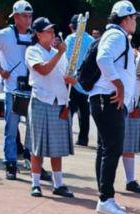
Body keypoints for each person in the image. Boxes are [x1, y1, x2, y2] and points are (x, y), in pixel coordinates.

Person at [88, 1, 137, 214]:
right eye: (134, 18)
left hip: (105, 98)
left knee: (105, 148)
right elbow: (103, 58)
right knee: (112, 148)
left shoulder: (117, 36)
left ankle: (104, 197)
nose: (136, 22)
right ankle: (106, 198)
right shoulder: (116, 36)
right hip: (107, 98)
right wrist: (118, 85)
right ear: (125, 19)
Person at [25, 18, 74, 197]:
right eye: (48, 31)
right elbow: (43, 70)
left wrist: (71, 80)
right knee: (37, 145)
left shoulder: (58, 53)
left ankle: (58, 184)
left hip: (59, 101)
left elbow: (66, 75)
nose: (52, 34)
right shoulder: (32, 51)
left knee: (57, 147)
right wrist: (59, 54)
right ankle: (35, 183)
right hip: (41, 100)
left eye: (52, 31)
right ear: (38, 34)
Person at [0, 0, 35, 180]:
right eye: (24, 16)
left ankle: (32, 160)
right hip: (12, 88)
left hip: (32, 87)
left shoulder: (34, 34)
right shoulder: (4, 34)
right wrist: (0, 71)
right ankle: (11, 163)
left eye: (30, 16)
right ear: (15, 17)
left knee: (33, 128)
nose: (28, 19)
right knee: (11, 128)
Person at [118, 9, 140, 197]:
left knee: (129, 145)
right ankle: (106, 182)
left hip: (134, 100)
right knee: (114, 145)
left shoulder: (137, 56)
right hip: (121, 99)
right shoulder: (120, 49)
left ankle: (130, 179)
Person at [65, 14, 92, 146]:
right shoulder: (92, 40)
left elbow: (66, 58)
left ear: (71, 26)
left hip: (72, 78)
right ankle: (83, 138)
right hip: (86, 80)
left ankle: (66, 136)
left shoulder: (70, 39)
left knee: (69, 109)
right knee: (85, 112)